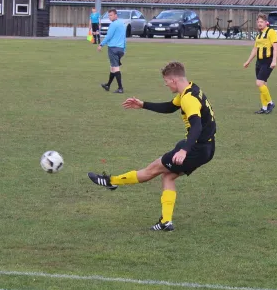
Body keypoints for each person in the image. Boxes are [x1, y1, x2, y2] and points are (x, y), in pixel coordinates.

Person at [88, 61, 216, 231]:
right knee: (168, 177)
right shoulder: (191, 89)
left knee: (152, 169)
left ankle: (111, 181)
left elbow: (197, 126)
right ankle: (166, 222)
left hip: (196, 148)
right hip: (205, 147)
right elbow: (170, 107)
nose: (165, 84)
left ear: (174, 80)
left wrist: (185, 150)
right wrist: (143, 105)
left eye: (166, 81)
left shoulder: (189, 99)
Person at [243, 13, 277, 114]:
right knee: (263, 85)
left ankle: (270, 103)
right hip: (259, 62)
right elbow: (255, 49)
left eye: (261, 22)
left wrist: (274, 60)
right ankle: (264, 107)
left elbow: (275, 48)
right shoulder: (259, 35)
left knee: (259, 83)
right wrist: (248, 61)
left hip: (268, 61)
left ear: (266, 22)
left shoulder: (271, 32)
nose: (259, 23)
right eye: (258, 22)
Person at [98, 9, 126, 93]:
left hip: (113, 48)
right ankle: (108, 85)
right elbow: (124, 38)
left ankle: (120, 88)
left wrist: (101, 44)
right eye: (109, 15)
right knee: (112, 68)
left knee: (115, 68)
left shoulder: (113, 25)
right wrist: (124, 49)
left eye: (111, 15)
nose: (109, 17)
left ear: (115, 15)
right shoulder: (122, 24)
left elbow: (108, 36)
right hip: (120, 49)